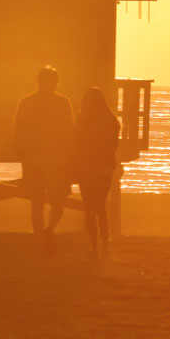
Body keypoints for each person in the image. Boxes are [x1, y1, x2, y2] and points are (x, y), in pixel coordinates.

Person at [12, 66, 74, 254]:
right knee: (58, 199)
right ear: (56, 82)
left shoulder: (27, 101)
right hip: (55, 159)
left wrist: (21, 153)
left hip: (34, 158)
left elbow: (18, 130)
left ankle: (41, 235)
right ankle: (49, 230)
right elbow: (69, 130)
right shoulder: (63, 102)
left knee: (37, 201)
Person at [69, 87, 120, 257]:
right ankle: (105, 240)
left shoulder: (84, 120)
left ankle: (94, 245)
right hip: (104, 169)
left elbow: (75, 144)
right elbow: (113, 146)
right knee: (100, 206)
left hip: (87, 169)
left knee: (89, 208)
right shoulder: (112, 121)